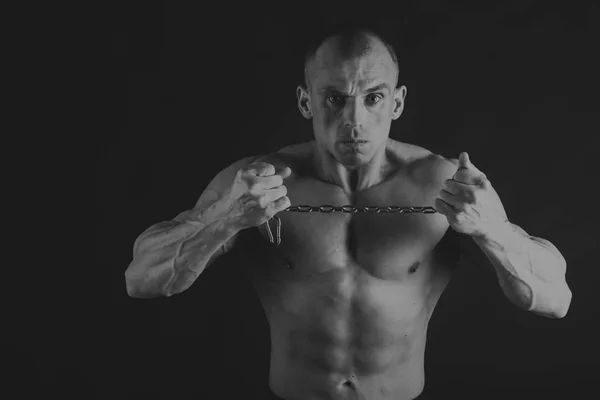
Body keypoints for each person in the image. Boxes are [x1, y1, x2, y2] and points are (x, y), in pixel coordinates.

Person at [124, 21, 572, 400]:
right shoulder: (257, 182)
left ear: (396, 103)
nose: (354, 121)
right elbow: (141, 278)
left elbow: (556, 299)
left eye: (373, 98)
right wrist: (225, 218)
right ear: (306, 102)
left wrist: (490, 229)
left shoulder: (442, 181)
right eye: (335, 98)